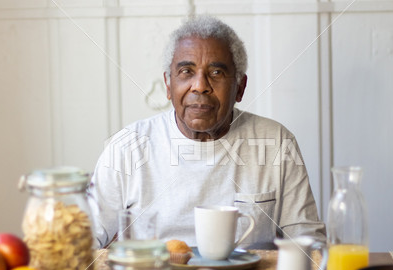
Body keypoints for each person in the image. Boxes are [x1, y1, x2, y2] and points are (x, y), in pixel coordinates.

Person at [89, 15, 326, 249]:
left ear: (240, 88)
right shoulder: (126, 147)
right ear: (168, 85)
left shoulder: (277, 142)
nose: (200, 85)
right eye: (186, 72)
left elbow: (309, 244)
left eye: (216, 73)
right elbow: (85, 241)